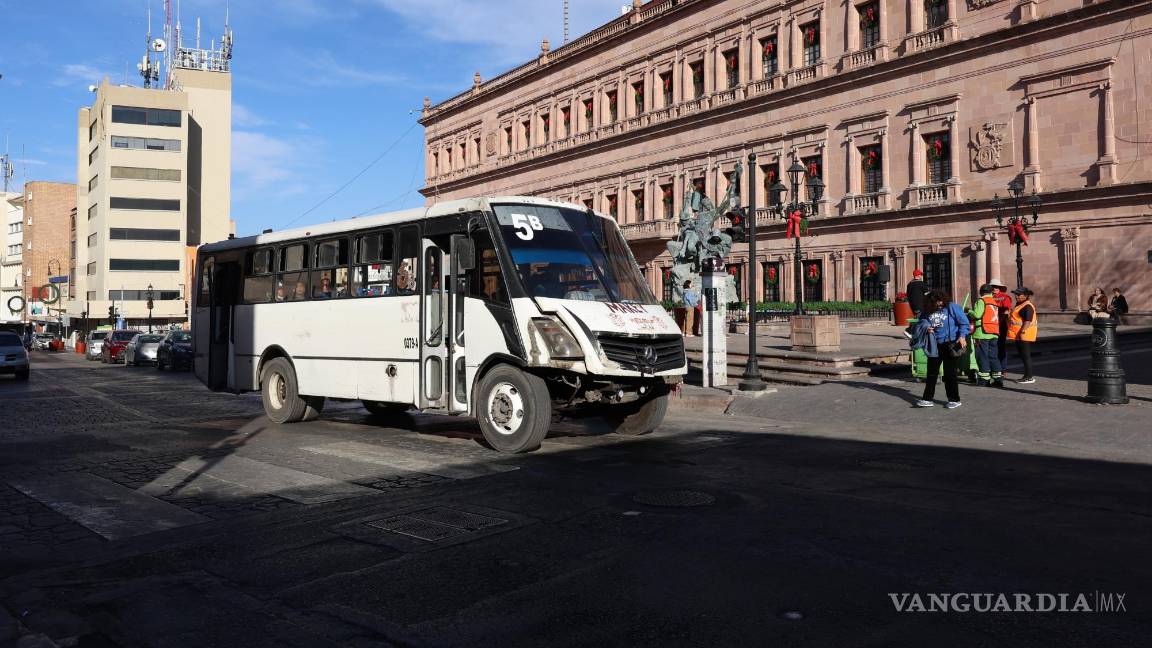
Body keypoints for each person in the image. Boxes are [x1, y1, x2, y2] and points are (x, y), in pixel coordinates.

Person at [915, 289, 968, 409]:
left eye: (940, 301)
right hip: (935, 344)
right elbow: (922, 321)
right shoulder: (928, 310)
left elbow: (964, 323)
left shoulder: (952, 307)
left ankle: (954, 399)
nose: (938, 304)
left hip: (951, 343)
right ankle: (927, 399)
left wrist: (962, 336)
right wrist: (927, 327)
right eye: (935, 302)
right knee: (932, 373)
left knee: (950, 373)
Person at [967, 284, 1004, 388]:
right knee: (993, 356)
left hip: (982, 332)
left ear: (981, 292)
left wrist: (969, 311)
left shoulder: (981, 300)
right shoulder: (994, 302)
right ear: (991, 292)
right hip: (994, 332)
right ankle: (998, 380)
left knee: (982, 356)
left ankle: (984, 380)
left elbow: (977, 315)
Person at [1007, 287, 1038, 384]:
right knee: (1024, 356)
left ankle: (1029, 377)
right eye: (1016, 294)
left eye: (1019, 295)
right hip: (1020, 335)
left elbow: (1027, 321)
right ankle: (1027, 376)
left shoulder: (1027, 306)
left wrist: (1022, 332)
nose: (1016, 296)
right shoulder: (1020, 305)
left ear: (1025, 296)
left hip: (1024, 335)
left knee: (1026, 356)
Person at [988, 278, 1013, 370]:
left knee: (1000, 345)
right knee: (992, 346)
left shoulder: (1005, 297)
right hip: (989, 325)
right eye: (992, 286)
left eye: (996, 286)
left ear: (999, 287)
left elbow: (1007, 310)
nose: (994, 288)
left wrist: (1002, 321)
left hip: (1000, 324)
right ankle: (994, 366)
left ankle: (1002, 367)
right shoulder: (988, 297)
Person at [903, 269, 928, 339]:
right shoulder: (921, 283)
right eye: (921, 275)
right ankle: (909, 331)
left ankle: (915, 332)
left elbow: (907, 295)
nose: (921, 276)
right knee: (918, 318)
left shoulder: (909, 284)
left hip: (913, 304)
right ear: (918, 275)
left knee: (918, 317)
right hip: (920, 304)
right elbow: (927, 293)